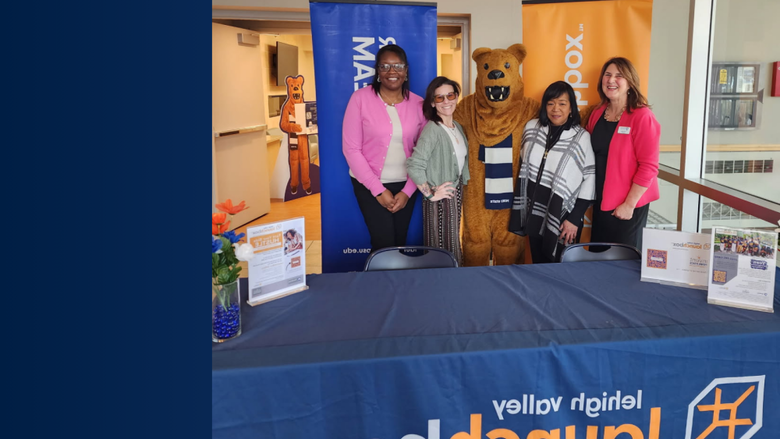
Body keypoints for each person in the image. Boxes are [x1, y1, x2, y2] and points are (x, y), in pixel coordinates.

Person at [342, 44, 426, 251]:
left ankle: (395, 284)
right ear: (377, 71)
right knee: (383, 244)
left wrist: (407, 191)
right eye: (385, 66)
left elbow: (423, 153)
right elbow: (351, 149)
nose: (392, 71)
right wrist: (378, 190)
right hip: (369, 184)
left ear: (406, 71)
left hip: (407, 184)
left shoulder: (418, 104)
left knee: (399, 241)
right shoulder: (360, 99)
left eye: (397, 66)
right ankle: (378, 283)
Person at [509, 81, 596, 263]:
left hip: (563, 216)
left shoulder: (581, 137)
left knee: (561, 267)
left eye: (562, 103)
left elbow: (589, 178)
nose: (555, 109)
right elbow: (523, 165)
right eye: (550, 103)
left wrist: (574, 219)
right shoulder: (532, 128)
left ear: (571, 108)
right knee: (538, 264)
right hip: (534, 209)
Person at [584, 57, 660, 250]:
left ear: (630, 83)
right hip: (601, 202)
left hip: (627, 206)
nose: (611, 80)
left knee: (623, 265)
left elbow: (649, 167)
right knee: (599, 260)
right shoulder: (598, 113)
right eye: (607, 75)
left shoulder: (642, 116)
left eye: (619, 76)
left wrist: (629, 204)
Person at [406, 76, 469, 265]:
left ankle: (453, 287)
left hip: (454, 196)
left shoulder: (457, 126)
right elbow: (414, 164)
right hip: (439, 201)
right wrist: (431, 194)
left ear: (457, 96)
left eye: (450, 95)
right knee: (441, 250)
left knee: (452, 245)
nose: (446, 101)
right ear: (433, 103)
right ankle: (441, 288)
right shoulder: (432, 129)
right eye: (439, 98)